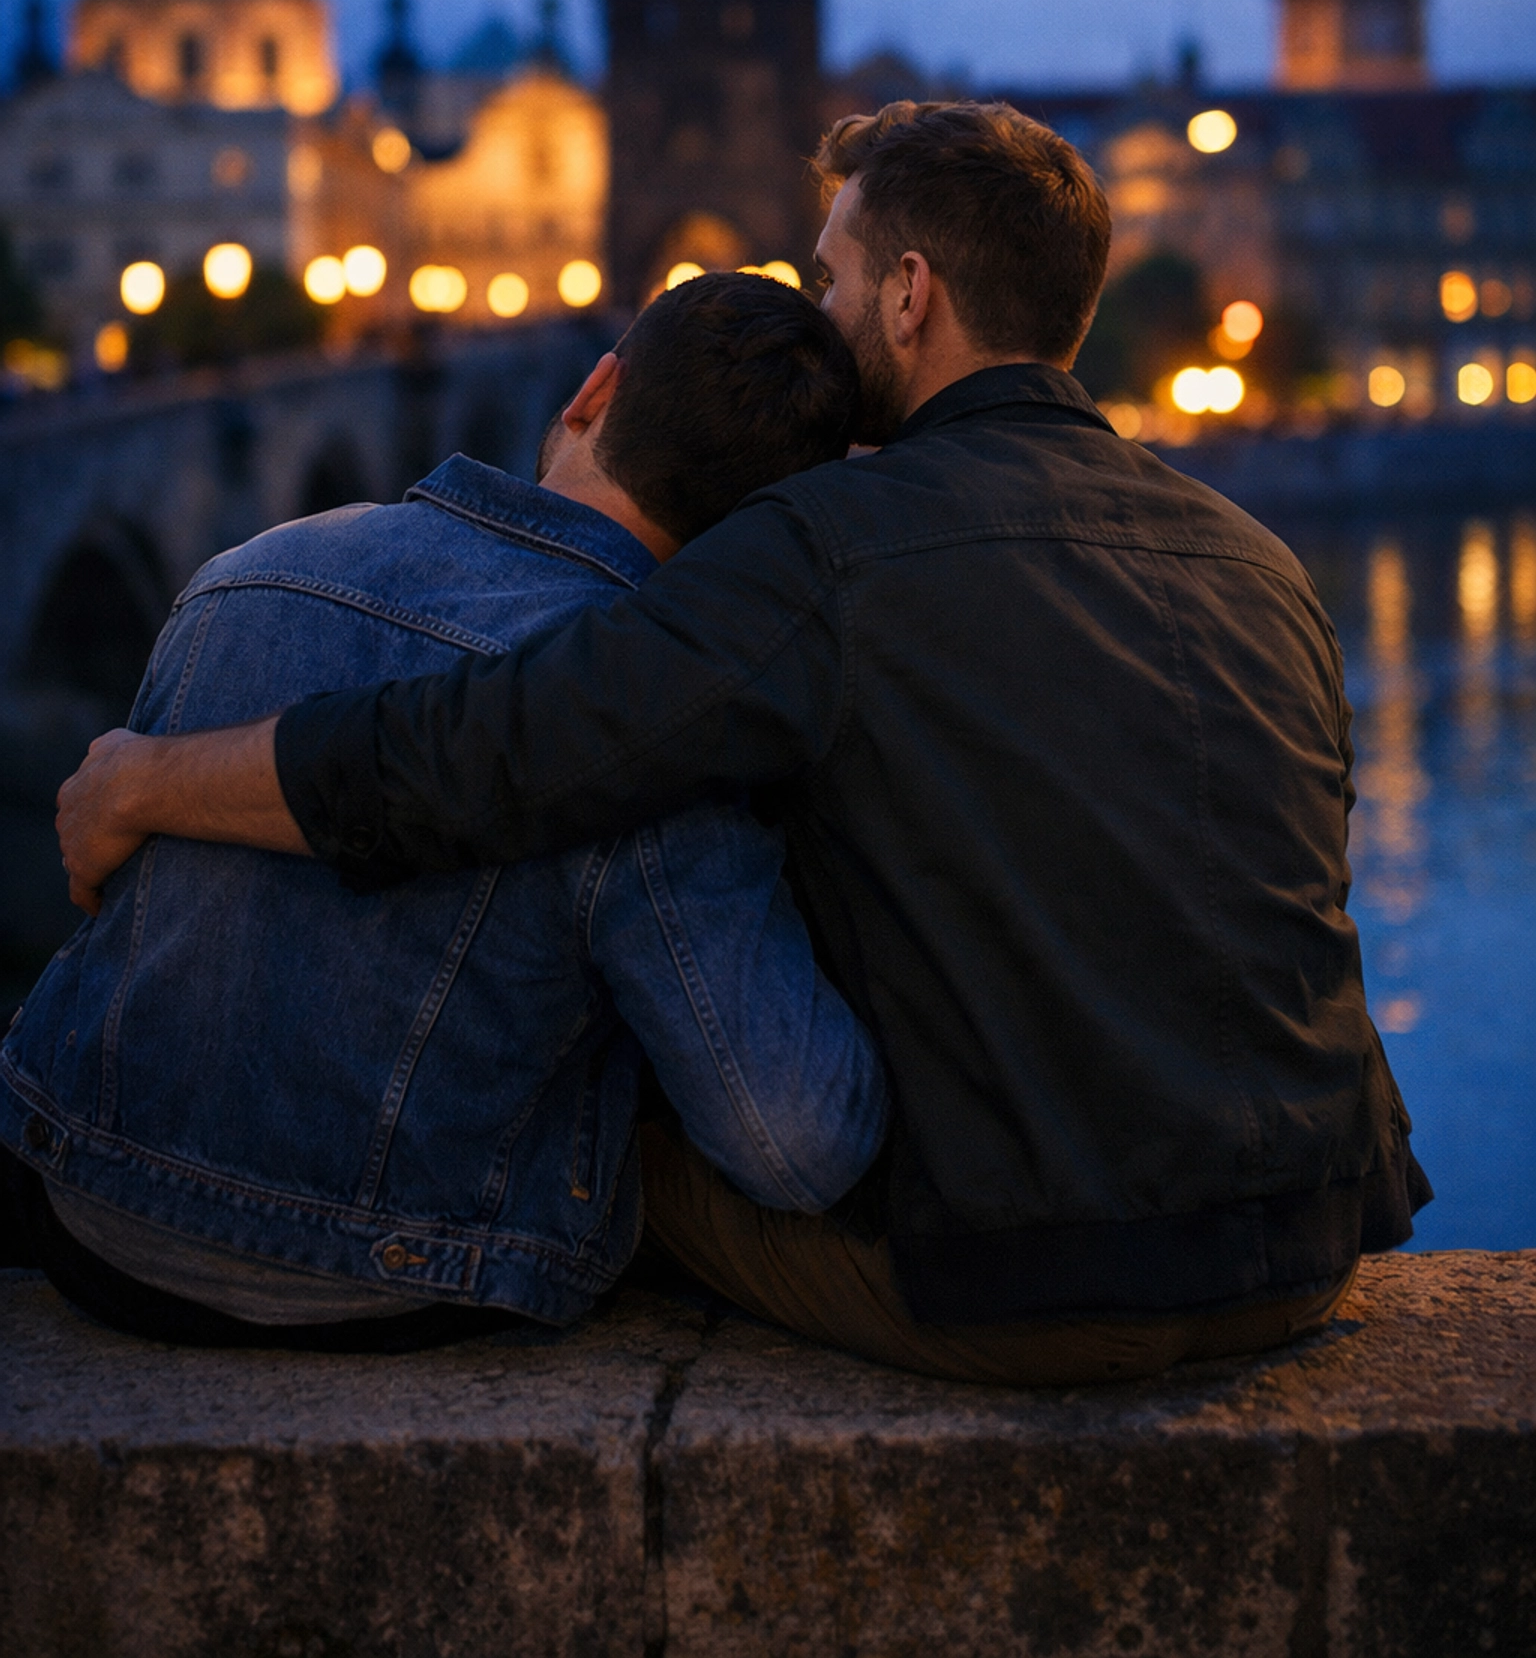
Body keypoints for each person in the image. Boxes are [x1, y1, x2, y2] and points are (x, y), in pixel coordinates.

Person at [52, 101, 1429, 1386]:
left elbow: (497, 750)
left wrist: (150, 776)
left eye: (830, 282)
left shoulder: (829, 547)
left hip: (1035, 1283)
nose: (824, 323)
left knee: (616, 1121)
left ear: (909, 295)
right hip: (1312, 1244)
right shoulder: (1261, 560)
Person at [2, 273, 888, 1350]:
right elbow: (792, 1140)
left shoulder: (245, 572)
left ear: (594, 392)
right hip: (388, 1276)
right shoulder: (654, 729)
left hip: (82, 1211)